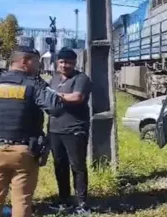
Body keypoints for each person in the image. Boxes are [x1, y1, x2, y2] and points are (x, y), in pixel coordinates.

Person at [0, 46, 66, 217]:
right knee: (22, 201)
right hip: (23, 153)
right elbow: (56, 107)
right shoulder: (33, 84)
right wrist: (43, 84)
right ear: (25, 62)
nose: (38, 66)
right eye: (36, 62)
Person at [47, 47, 92, 214]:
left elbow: (77, 97)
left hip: (75, 130)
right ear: (57, 63)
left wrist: (53, 96)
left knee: (77, 166)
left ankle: (82, 204)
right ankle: (64, 200)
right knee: (60, 166)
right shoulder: (54, 79)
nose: (65, 65)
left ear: (74, 63)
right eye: (62, 62)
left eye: (69, 62)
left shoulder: (81, 78)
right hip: (55, 129)